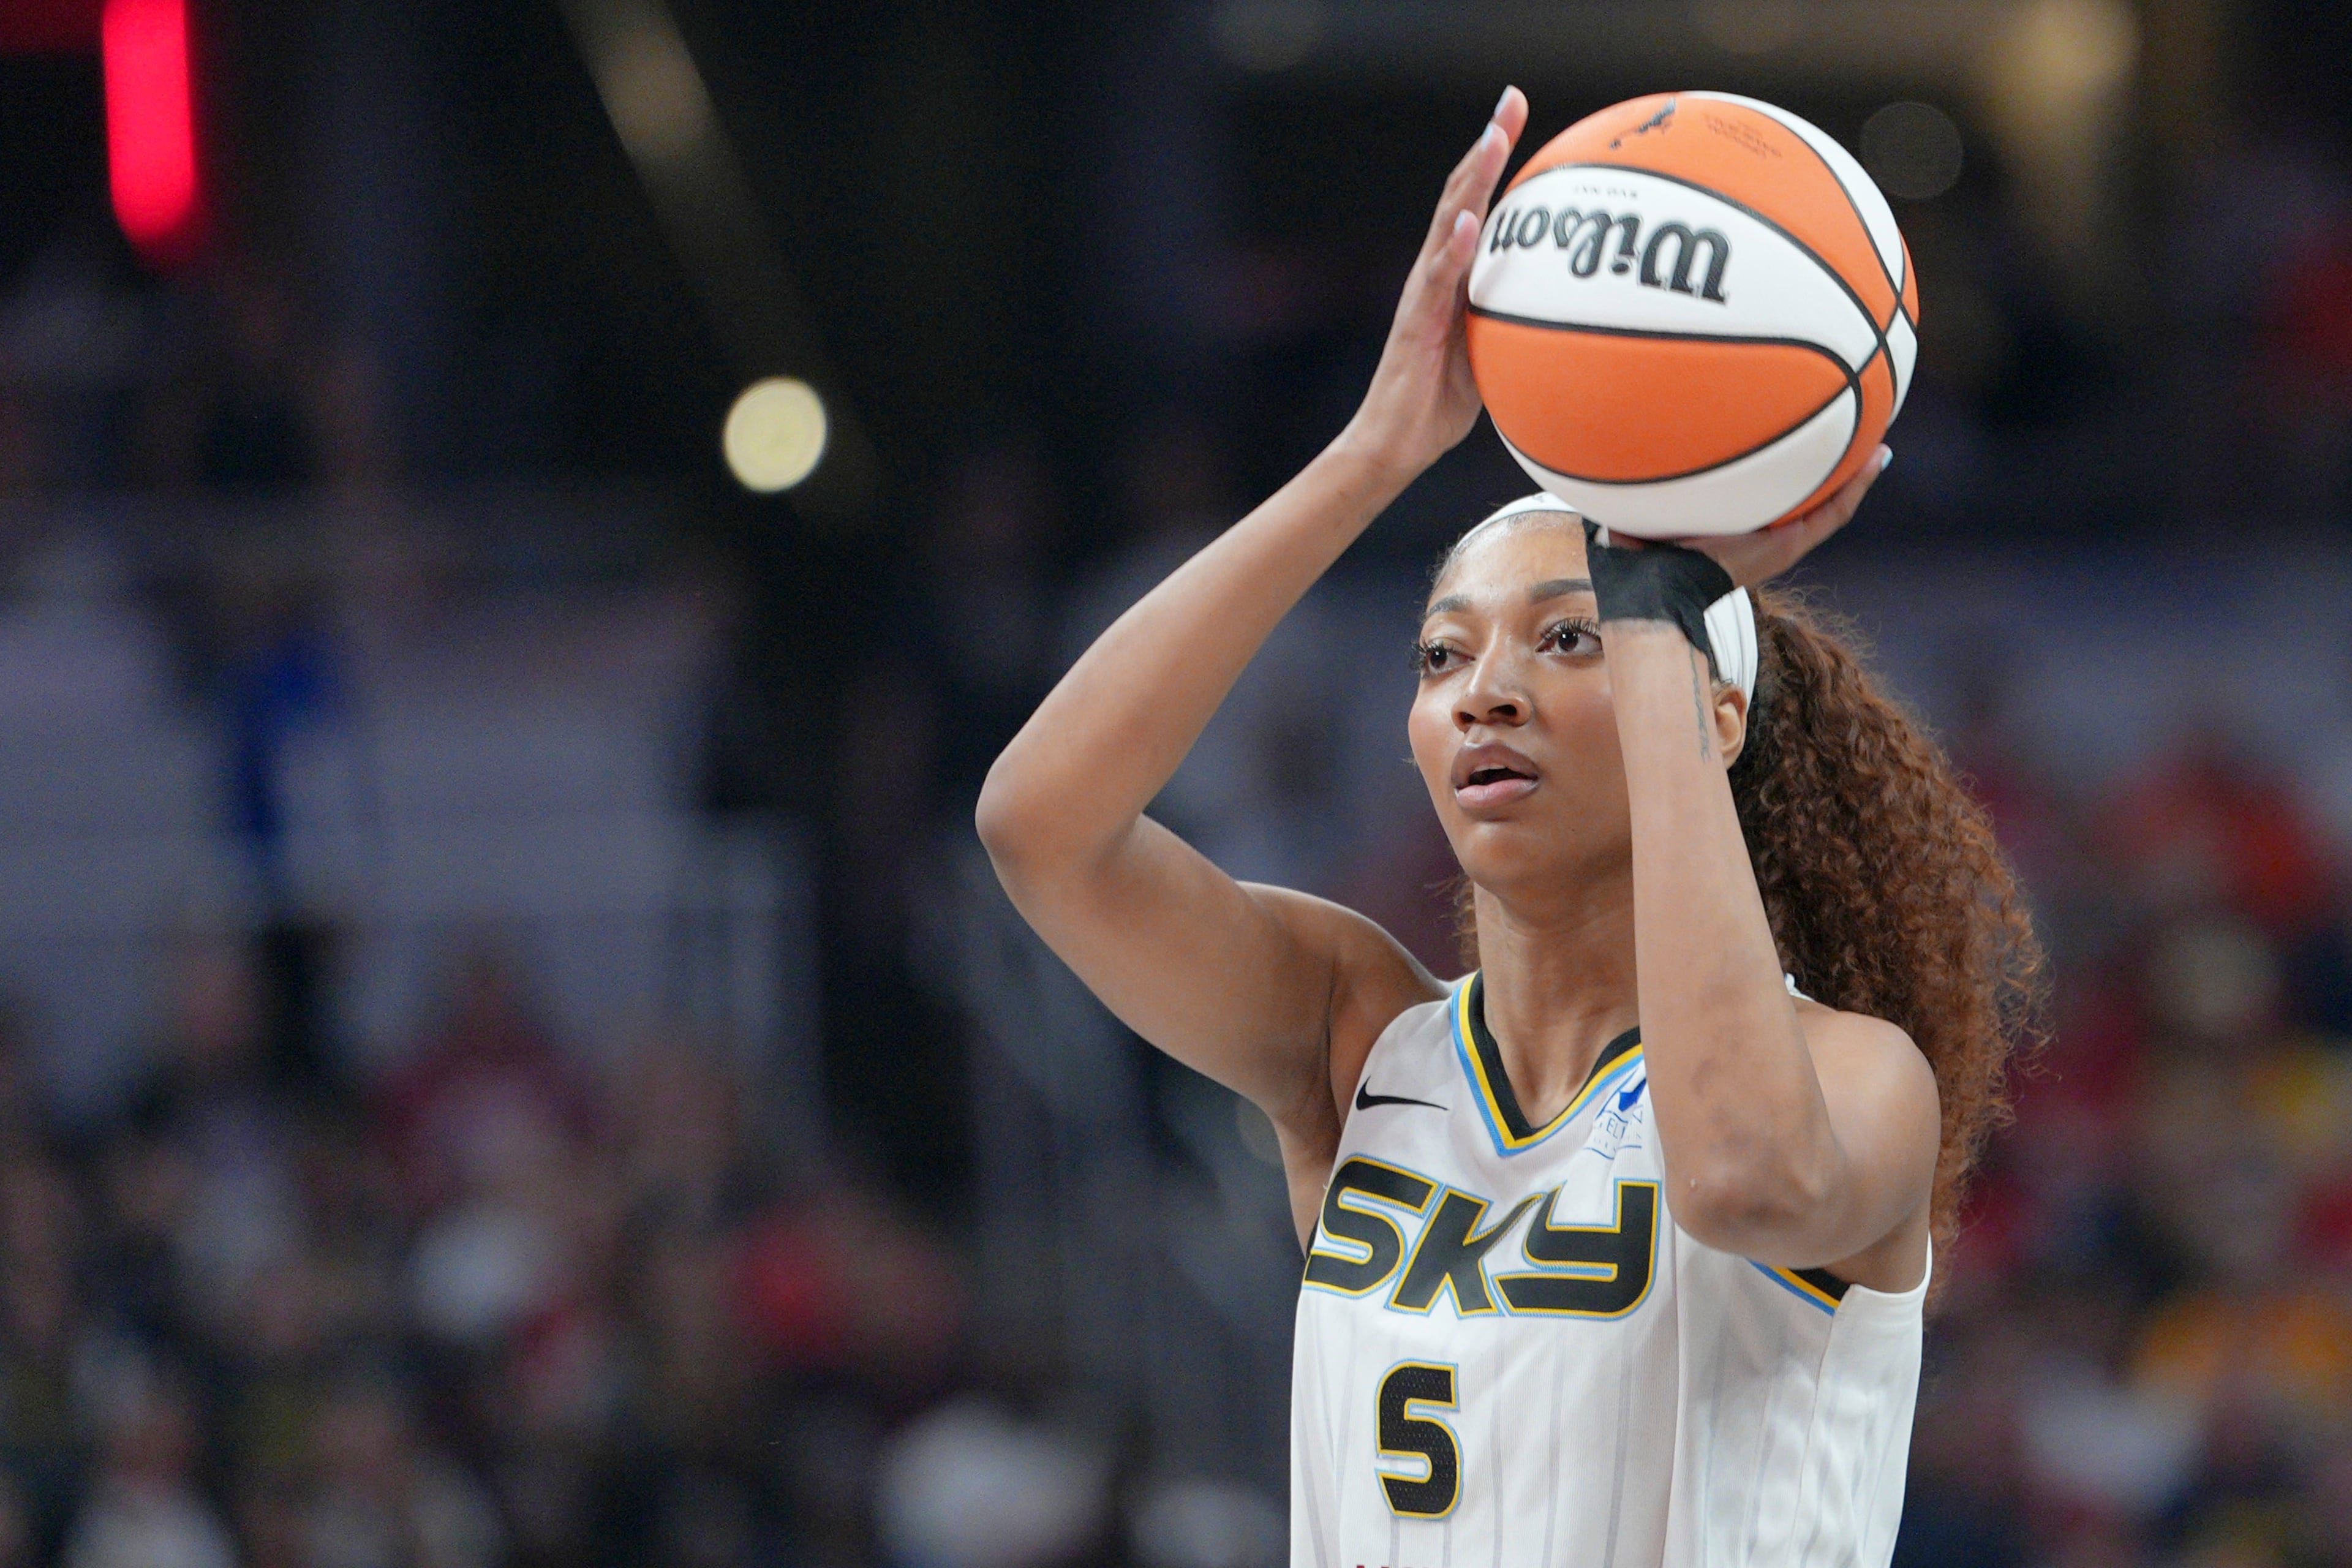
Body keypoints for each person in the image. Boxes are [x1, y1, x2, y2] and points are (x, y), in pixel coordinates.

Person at [976, 88, 2040, 1567]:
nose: (1484, 692)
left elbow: (1732, 1172)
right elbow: (1042, 824)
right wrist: (1374, 450)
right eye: (1441, 654)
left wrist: (1662, 606)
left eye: (1567, 639)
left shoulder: (1862, 1078)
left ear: (1707, 709)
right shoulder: (1359, 1034)